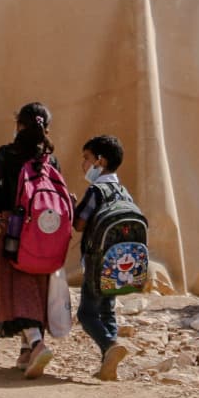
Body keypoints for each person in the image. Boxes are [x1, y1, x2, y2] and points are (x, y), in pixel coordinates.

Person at [0, 101, 64, 379]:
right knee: (37, 284)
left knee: (16, 286)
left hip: (15, 230)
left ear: (19, 125)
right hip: (45, 235)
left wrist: (1, 210)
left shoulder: (7, 154)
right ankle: (26, 350)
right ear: (46, 128)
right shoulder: (50, 159)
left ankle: (37, 343)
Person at [75, 134, 133, 381]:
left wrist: (72, 206)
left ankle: (110, 345)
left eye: (87, 159)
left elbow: (79, 224)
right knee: (108, 312)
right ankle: (108, 364)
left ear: (100, 161)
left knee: (86, 314)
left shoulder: (96, 190)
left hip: (96, 263)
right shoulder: (123, 192)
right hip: (120, 264)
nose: (83, 165)